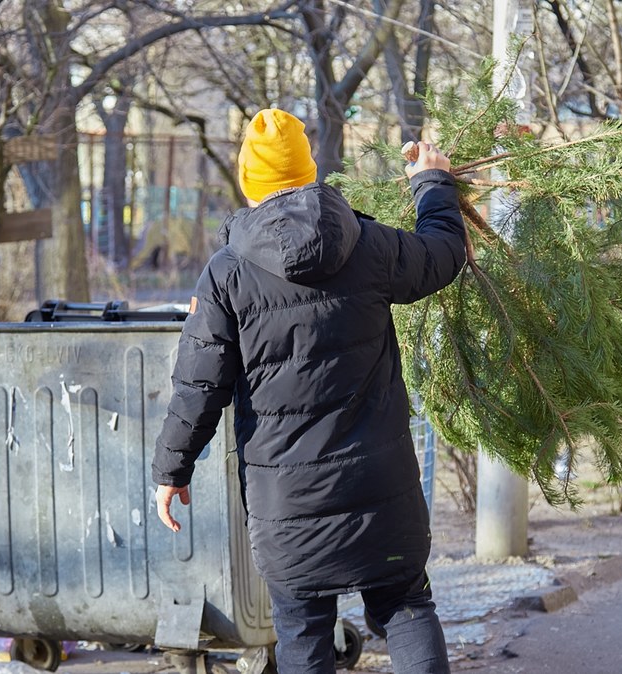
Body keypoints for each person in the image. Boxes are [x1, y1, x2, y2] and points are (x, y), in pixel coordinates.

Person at [152, 108, 465, 674]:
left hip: (288, 503)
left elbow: (198, 386)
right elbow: (441, 258)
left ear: (249, 183)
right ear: (309, 172)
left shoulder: (227, 274)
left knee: (302, 634)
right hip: (381, 490)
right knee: (406, 607)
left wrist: (172, 472)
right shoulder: (367, 243)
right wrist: (432, 183)